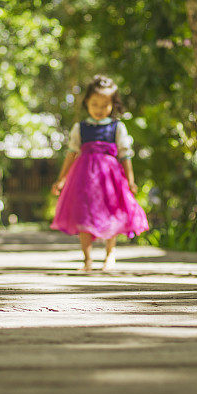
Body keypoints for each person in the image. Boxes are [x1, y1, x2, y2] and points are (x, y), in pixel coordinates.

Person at [50, 75, 149, 271]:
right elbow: (71, 153)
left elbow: (125, 155)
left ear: (113, 104)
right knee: (83, 217)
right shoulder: (80, 128)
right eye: (95, 104)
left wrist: (130, 180)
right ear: (87, 102)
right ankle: (87, 259)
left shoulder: (117, 127)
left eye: (105, 105)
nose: (99, 109)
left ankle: (110, 254)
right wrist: (61, 179)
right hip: (83, 179)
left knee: (110, 215)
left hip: (110, 179)